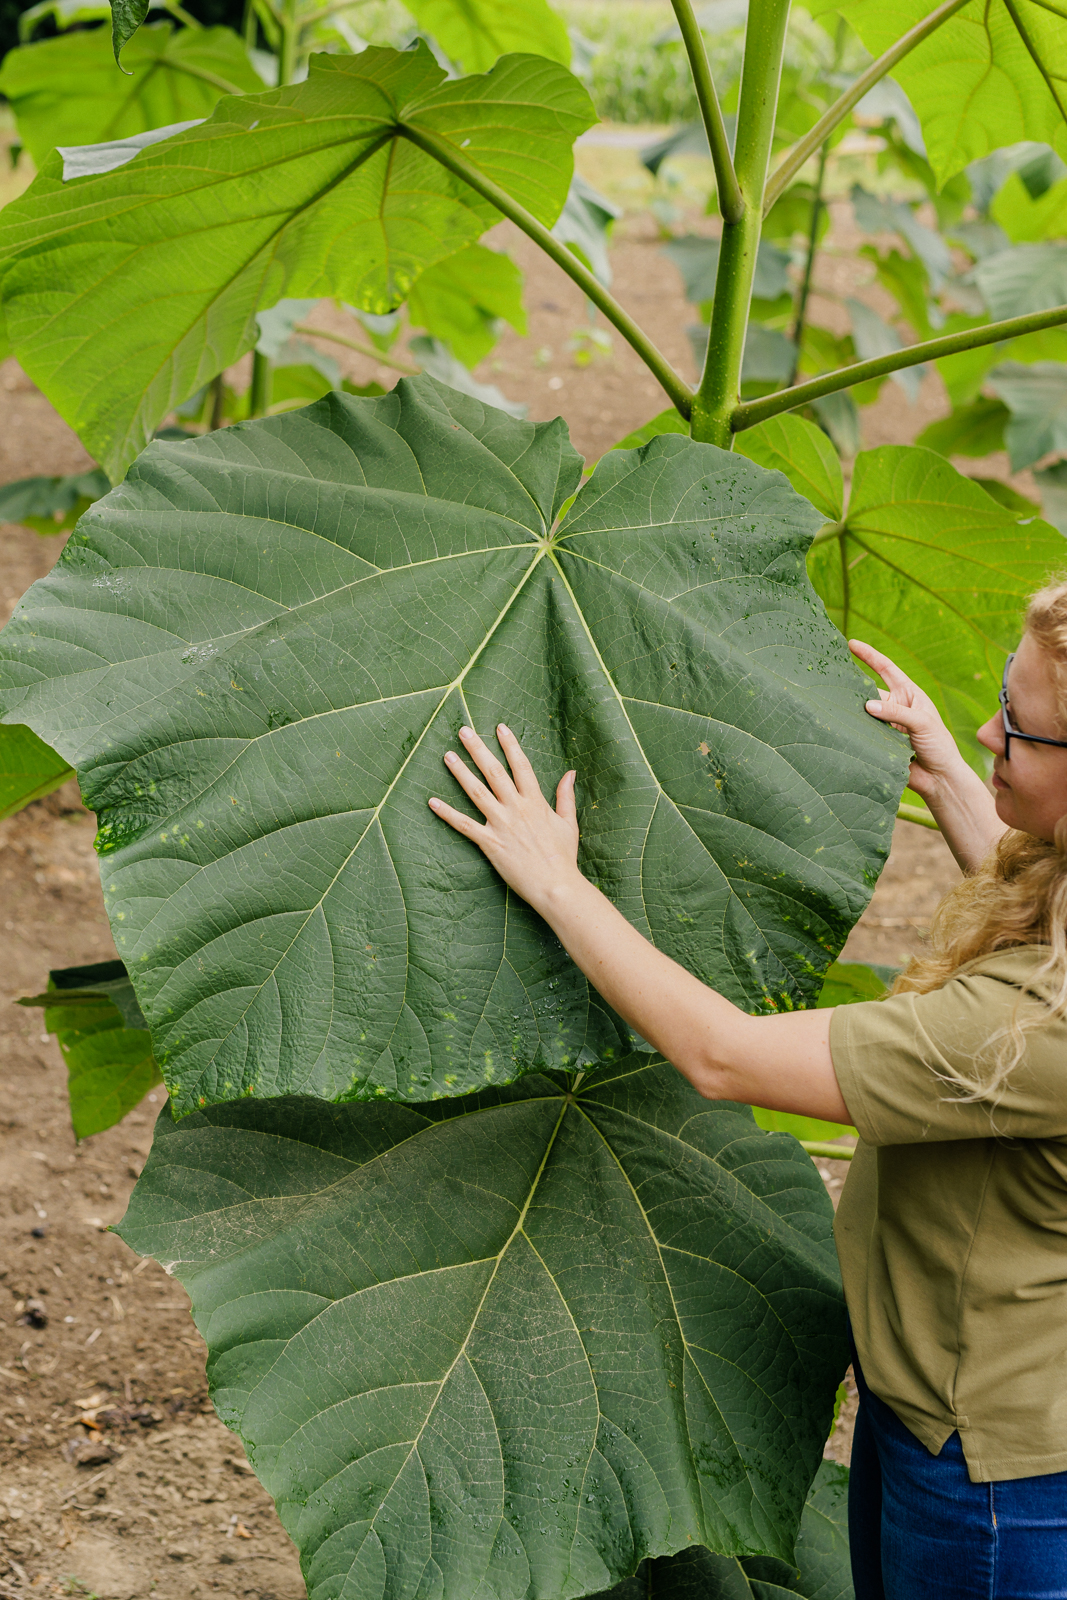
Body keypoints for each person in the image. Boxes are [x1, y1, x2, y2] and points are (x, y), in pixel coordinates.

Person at [427, 577, 1067, 1600]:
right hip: (940, 1407)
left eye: (1019, 730)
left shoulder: (1026, 1029)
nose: (988, 725)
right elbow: (1029, 888)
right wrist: (948, 770)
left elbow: (721, 1055)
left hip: (987, 1468)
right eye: (1001, 690)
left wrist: (557, 881)